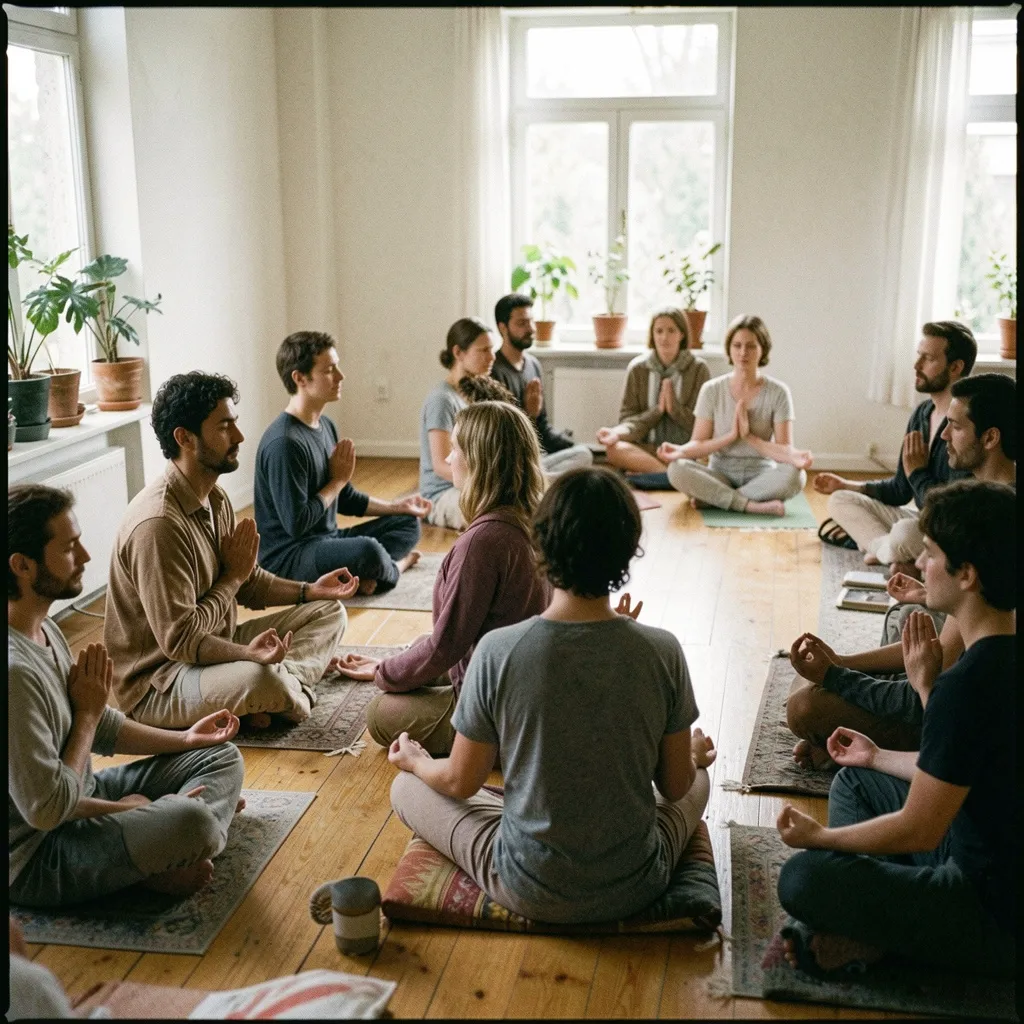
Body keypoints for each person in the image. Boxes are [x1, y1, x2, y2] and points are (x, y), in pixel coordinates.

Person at [386, 466, 716, 925]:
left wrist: (417, 761)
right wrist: (694, 757)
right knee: (700, 778)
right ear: (629, 549)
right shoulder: (662, 650)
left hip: (525, 884)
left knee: (406, 786)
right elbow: (675, 786)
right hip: (637, 885)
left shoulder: (497, 650)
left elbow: (460, 783)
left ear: (540, 544)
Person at [775, 480, 1016, 978]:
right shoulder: (996, 655)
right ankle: (883, 915)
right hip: (986, 848)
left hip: (991, 909)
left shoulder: (965, 684)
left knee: (801, 878)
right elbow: (959, 770)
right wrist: (875, 756)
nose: (920, 566)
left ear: (967, 574)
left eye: (930, 554)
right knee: (856, 777)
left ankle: (881, 937)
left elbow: (919, 825)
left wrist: (821, 837)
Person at [9, 484, 246, 908]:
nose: (84, 557)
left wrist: (187, 739)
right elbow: (46, 810)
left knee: (220, 756)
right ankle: (178, 842)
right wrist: (130, 810)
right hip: (40, 856)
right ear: (22, 566)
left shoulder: (44, 628)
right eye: (69, 548)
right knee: (191, 819)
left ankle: (169, 849)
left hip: (85, 793)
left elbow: (101, 723)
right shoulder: (13, 676)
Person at [786, 372, 1016, 769]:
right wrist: (840, 661)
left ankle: (879, 752)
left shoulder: (994, 520)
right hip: (946, 670)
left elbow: (934, 679)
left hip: (959, 711)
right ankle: (851, 741)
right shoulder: (981, 500)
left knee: (803, 705)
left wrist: (838, 671)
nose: (943, 436)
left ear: (991, 438)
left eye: (956, 427)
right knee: (905, 616)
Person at [104, 372, 356, 731]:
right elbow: (181, 639)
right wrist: (247, 652)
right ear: (185, 438)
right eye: (224, 427)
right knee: (260, 679)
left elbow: (248, 581)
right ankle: (283, 690)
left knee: (330, 611)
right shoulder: (157, 525)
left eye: (235, 423)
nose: (238, 436)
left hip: (214, 648)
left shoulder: (215, 497)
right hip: (162, 682)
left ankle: (281, 688)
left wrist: (310, 590)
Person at [336, 401, 550, 754]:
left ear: (481, 461)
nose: (448, 460)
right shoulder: (535, 520)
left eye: (455, 449)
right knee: (417, 648)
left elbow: (446, 646)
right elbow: (455, 640)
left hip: (496, 711)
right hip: (523, 684)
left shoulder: (483, 542)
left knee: (379, 714)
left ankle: (491, 750)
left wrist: (384, 675)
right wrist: (388, 665)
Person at [255, 331, 430, 595]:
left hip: (327, 541)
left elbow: (345, 497)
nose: (340, 376)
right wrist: (337, 480)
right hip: (289, 558)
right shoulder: (285, 443)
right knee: (368, 550)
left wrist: (397, 506)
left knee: (407, 523)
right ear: (300, 378)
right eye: (329, 370)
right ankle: (396, 567)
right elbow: (297, 523)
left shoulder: (325, 426)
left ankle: (366, 573)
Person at [813, 321, 976, 569]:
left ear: (955, 367)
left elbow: (949, 510)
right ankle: (889, 552)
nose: (916, 365)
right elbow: (901, 490)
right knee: (840, 500)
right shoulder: (922, 414)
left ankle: (886, 550)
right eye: (918, 355)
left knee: (904, 532)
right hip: (921, 520)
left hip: (948, 528)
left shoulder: (966, 425)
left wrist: (918, 472)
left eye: (928, 359)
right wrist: (847, 484)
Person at [658, 315, 812, 516]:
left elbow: (784, 452)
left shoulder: (778, 392)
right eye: (737, 345)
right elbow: (698, 443)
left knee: (796, 476)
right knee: (676, 469)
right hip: (720, 473)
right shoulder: (712, 390)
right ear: (729, 349)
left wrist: (750, 438)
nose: (743, 353)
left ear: (762, 349)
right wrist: (682, 450)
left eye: (751, 346)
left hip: (761, 475)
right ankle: (750, 505)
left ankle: (718, 499)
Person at [596, 307, 711, 476]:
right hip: (647, 451)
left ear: (682, 334)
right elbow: (627, 420)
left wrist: (674, 409)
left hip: (683, 451)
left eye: (671, 330)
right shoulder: (638, 368)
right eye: (659, 331)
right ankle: (668, 475)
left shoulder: (699, 369)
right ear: (652, 335)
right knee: (613, 450)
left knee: (707, 456)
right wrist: (656, 412)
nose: (664, 337)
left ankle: (653, 474)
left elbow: (703, 427)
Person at [491, 293, 594, 478]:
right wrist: (529, 414)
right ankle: (539, 486)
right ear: (502, 327)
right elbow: (500, 439)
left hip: (537, 459)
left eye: (531, 321)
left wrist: (571, 445)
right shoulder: (494, 372)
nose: (530, 329)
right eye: (522, 323)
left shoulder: (533, 365)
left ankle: (539, 484)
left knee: (583, 454)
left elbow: (543, 427)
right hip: (511, 463)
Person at [419, 317, 496, 530]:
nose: (492, 357)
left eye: (492, 349)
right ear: (458, 353)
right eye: (484, 350)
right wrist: (489, 484)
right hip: (444, 494)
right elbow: (441, 465)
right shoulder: (442, 399)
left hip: (474, 482)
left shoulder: (476, 394)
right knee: (498, 513)